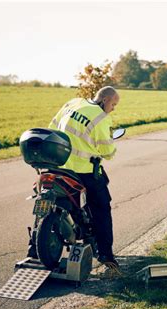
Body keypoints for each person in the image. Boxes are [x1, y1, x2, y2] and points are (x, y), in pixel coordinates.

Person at [48, 86, 120, 268]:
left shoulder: (73, 103)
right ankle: (106, 256)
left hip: (60, 167)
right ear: (105, 100)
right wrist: (111, 147)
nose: (114, 108)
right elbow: (108, 151)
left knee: (62, 202)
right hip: (85, 172)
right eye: (114, 104)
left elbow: (52, 127)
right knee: (102, 209)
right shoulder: (101, 118)